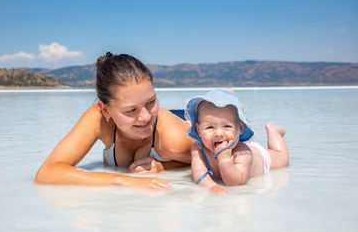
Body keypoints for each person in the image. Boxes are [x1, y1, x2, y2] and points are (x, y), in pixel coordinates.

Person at [35, 52, 192, 190]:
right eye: (131, 110)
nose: (145, 116)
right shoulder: (100, 120)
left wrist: (164, 166)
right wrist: (122, 180)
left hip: (183, 120)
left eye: (151, 102)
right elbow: (46, 173)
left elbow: (212, 159)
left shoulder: (173, 140)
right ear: (105, 110)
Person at [185, 89, 289, 193]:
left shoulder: (243, 152)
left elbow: (236, 182)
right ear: (199, 130)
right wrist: (211, 186)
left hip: (260, 157)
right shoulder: (198, 148)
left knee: (282, 157)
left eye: (227, 126)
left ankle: (273, 131)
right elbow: (198, 173)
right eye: (210, 127)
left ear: (241, 128)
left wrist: (224, 159)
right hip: (237, 146)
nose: (219, 133)